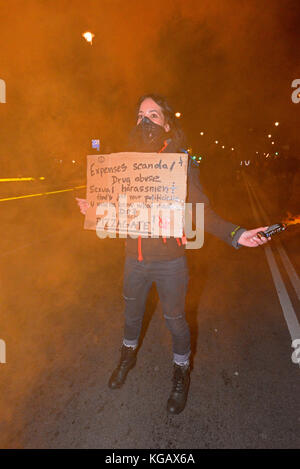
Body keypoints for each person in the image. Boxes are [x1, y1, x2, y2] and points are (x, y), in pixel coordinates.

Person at [76, 94, 269, 415]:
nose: (146, 121)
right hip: (133, 259)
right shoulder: (124, 162)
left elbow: (200, 211)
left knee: (175, 320)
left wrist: (236, 234)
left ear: (167, 123)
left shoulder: (179, 161)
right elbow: (115, 209)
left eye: (153, 114)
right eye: (140, 115)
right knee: (131, 315)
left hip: (170, 263)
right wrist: (93, 209)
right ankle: (127, 358)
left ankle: (181, 373)